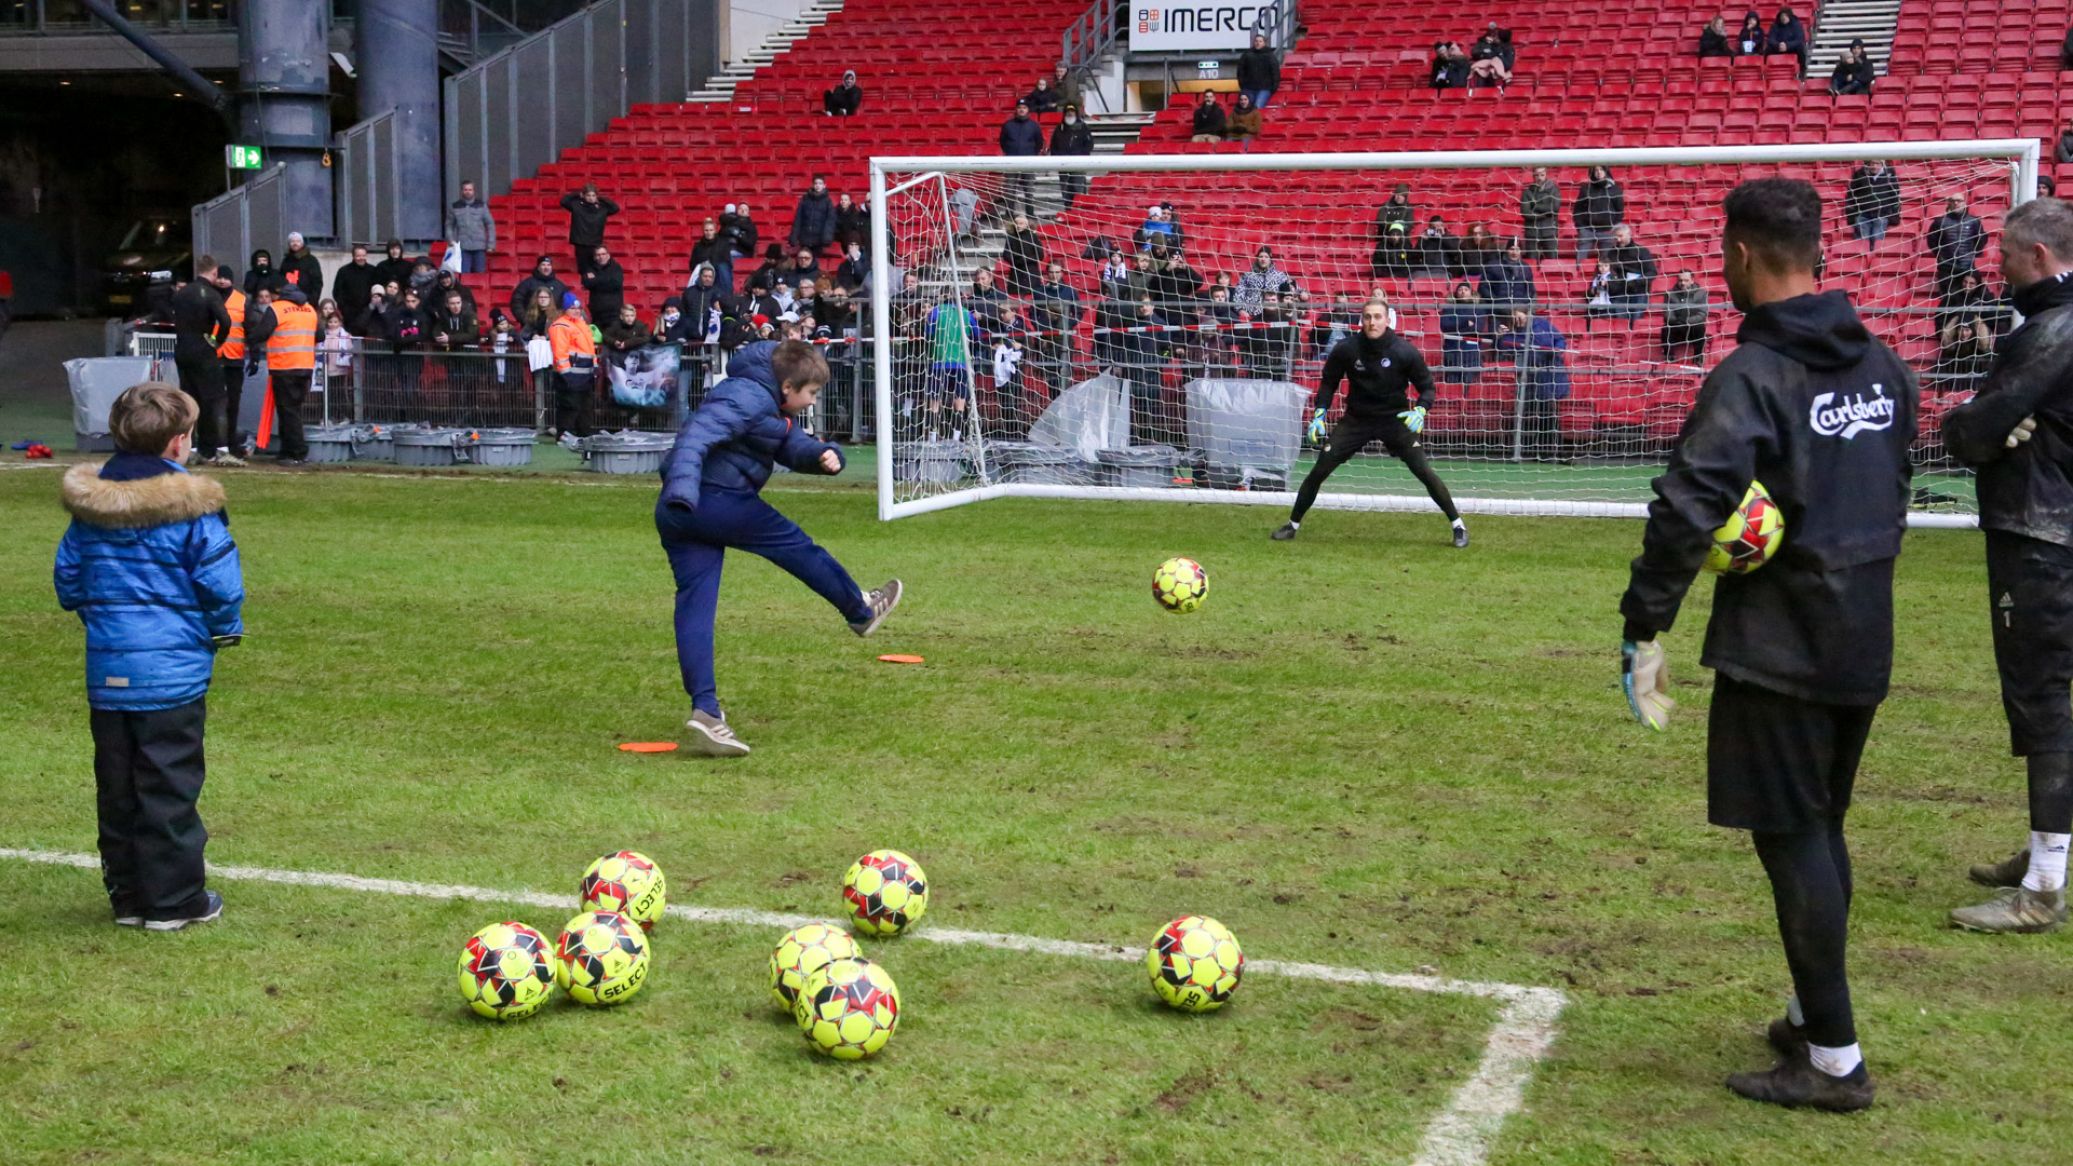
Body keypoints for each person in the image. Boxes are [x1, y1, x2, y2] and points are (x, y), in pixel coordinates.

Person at [1618, 177, 1916, 1113]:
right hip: (1861, 633)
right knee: (1820, 828)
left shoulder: (1749, 376)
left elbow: (1686, 503)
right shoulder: (1882, 364)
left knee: (1791, 841)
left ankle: (1832, 1062)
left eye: (1722, 254)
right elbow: (1896, 476)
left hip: (1780, 646)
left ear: (1741, 255)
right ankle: (1806, 1010)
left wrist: (1644, 623)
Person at [54, 382, 244, 931]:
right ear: (178, 442)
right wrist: (224, 631)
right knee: (168, 782)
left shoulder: (90, 505)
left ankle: (129, 896)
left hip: (107, 670)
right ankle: (173, 900)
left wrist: (103, 621)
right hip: (170, 675)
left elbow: (69, 579)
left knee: (117, 786)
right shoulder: (194, 506)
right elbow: (220, 583)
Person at [653, 340, 901, 757]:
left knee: (695, 607)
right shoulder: (745, 396)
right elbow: (695, 437)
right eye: (811, 394)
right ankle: (860, 610)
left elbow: (785, 441)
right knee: (798, 547)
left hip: (682, 513)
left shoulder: (762, 398)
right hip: (706, 500)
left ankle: (707, 714)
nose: (812, 401)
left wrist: (822, 454)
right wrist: (682, 489)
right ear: (788, 387)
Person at [1940, 197, 2073, 934]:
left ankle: (2042, 889)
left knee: (2041, 703)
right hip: (2058, 529)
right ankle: (2042, 852)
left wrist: (1967, 421)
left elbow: (1976, 428)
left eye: (2005, 259)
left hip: (2041, 536)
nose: (1997, 270)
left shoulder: (2050, 332)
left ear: (2040, 258)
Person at [1272, 297, 1466, 546]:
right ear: (1361, 320)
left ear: (1387, 320)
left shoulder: (1404, 351)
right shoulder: (1346, 349)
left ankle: (1458, 526)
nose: (1372, 322)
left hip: (1394, 420)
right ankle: (1292, 524)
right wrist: (1319, 412)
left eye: (1377, 317)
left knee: (1424, 471)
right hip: (1357, 420)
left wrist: (1420, 410)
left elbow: (1427, 388)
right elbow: (1328, 383)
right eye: (1367, 317)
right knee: (1320, 469)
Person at [169, 256, 233, 461]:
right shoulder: (211, 294)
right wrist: (216, 341)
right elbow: (225, 321)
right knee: (214, 400)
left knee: (188, 401)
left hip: (182, 351)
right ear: (213, 273)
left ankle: (191, 448)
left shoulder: (181, 293)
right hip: (203, 351)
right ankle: (218, 449)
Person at [257, 285, 318, 464]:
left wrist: (249, 338)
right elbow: (320, 334)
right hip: (305, 365)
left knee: (288, 411)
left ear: (281, 295)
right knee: (293, 410)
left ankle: (297, 452)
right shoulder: (310, 309)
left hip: (284, 365)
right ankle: (286, 451)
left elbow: (262, 333)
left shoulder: (277, 309)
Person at [209, 266, 251, 464]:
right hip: (213, 356)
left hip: (234, 357)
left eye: (226, 278)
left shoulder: (242, 300)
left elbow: (249, 327)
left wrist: (256, 354)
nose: (223, 281)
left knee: (233, 404)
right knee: (212, 403)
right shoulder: (209, 297)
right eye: (220, 278)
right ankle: (214, 443)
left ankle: (231, 444)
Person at [549, 292, 598, 439]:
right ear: (565, 309)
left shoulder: (581, 324)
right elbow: (560, 352)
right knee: (569, 407)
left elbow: (590, 350)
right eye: (572, 308)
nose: (577, 310)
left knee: (585, 407)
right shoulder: (560, 325)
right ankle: (564, 436)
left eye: (578, 308)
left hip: (584, 374)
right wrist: (566, 374)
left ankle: (584, 434)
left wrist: (594, 366)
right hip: (570, 375)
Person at [1928, 194, 1986, 298]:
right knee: (1947, 300)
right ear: (1949, 203)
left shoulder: (1974, 222)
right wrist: (1941, 257)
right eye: (1952, 200)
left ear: (1965, 203)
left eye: (1959, 200)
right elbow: (1932, 241)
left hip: (1967, 267)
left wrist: (1970, 255)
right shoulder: (1939, 222)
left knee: (1967, 299)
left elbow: (1981, 240)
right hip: (1946, 268)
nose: (1956, 203)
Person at [560, 183, 620, 276]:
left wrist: (601, 198)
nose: (591, 198)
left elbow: (615, 208)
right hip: (580, 242)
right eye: (588, 195)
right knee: (583, 269)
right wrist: (577, 194)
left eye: (593, 195)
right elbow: (564, 201)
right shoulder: (576, 206)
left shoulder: (602, 208)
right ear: (583, 196)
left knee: (596, 268)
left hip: (595, 242)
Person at [999, 100, 1045, 217]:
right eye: (1019, 107)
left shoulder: (1034, 126)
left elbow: (1039, 143)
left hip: (1028, 162)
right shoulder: (1008, 125)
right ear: (1016, 109)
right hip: (1011, 162)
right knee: (1010, 190)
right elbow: (1003, 142)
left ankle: (1030, 215)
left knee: (1029, 190)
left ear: (1028, 110)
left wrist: (1031, 154)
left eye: (1024, 107)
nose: (1021, 109)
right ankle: (1009, 214)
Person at [1608, 225, 1660, 324]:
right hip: (1620, 293)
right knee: (1620, 323)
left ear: (1629, 235)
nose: (1618, 240)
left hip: (1639, 292)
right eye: (1615, 237)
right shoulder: (1611, 253)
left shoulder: (1642, 251)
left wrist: (1637, 281)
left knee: (1636, 322)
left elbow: (1652, 272)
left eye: (1620, 236)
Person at [1574, 165, 1626, 263]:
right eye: (1596, 170)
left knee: (1606, 261)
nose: (1598, 172)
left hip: (1607, 231)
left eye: (1601, 169)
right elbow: (1578, 209)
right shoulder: (1586, 188)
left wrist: (1613, 227)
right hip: (1587, 230)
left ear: (1606, 171)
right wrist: (1581, 228)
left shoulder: (1615, 189)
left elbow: (1620, 211)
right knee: (1580, 260)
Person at [1439, 282, 1487, 386]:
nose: (1463, 292)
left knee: (1469, 388)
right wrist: (1465, 322)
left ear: (1471, 293)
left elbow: (1477, 329)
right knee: (1451, 388)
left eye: (1466, 289)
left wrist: (1456, 328)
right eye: (1460, 289)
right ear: (1456, 293)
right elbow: (1445, 326)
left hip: (1471, 355)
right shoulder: (1449, 308)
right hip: (1452, 354)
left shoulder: (1478, 309)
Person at [1844, 159, 1901, 246]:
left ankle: (1875, 259)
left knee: (1877, 243)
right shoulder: (1859, 175)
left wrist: (1894, 216)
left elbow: (1895, 196)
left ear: (1882, 164)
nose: (1874, 166)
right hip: (1862, 215)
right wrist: (1852, 217)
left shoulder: (1890, 176)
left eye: (1877, 163)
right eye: (1872, 163)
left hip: (1881, 215)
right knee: (1861, 244)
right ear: (1868, 164)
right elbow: (1850, 196)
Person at [447, 180, 497, 274]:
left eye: (470, 189)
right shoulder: (455, 206)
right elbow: (449, 225)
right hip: (462, 247)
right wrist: (451, 240)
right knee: (464, 275)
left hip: (479, 247)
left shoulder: (481, 206)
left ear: (474, 191)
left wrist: (491, 244)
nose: (468, 191)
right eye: (465, 189)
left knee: (480, 274)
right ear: (461, 191)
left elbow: (490, 224)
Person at [1661, 270, 1710, 362]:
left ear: (1692, 280)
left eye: (1686, 280)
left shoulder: (1701, 293)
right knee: (1665, 328)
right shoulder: (1669, 294)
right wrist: (1677, 321)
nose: (1682, 283)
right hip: (1676, 326)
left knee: (1700, 327)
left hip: (1692, 327)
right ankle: (1669, 356)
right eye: (1680, 280)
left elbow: (1702, 314)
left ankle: (1698, 357)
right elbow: (1667, 313)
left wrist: (1687, 321)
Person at [1051, 105, 1094, 209]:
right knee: (1065, 188)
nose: (1070, 114)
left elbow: (1089, 144)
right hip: (1063, 164)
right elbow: (1053, 145)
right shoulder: (1059, 128)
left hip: (1078, 164)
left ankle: (1079, 210)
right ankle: (1068, 209)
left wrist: (1082, 156)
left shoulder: (1083, 127)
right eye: (1068, 112)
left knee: (1077, 186)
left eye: (1072, 112)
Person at [1479, 240, 1537, 312]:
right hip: (1497, 310)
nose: (1514, 253)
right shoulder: (1493, 266)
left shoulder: (1526, 268)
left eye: (1517, 249)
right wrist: (1496, 302)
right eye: (1512, 249)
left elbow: (1530, 290)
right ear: (1506, 250)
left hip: (1519, 311)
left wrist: (1522, 305)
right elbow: (1483, 287)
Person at [509, 256, 570, 323]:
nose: (546, 267)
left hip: (554, 324)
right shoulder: (527, 283)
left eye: (548, 265)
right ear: (538, 267)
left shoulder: (560, 285)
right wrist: (524, 319)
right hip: (532, 324)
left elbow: (568, 303)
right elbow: (516, 301)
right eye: (543, 265)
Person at [331, 245, 380, 329]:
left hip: (368, 313)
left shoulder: (373, 271)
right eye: (358, 256)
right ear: (353, 256)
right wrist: (345, 308)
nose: (361, 258)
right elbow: (337, 292)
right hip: (349, 315)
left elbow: (377, 290)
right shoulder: (344, 271)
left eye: (363, 255)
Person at [789, 175, 839, 257]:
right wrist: (794, 236)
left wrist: (827, 238)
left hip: (819, 241)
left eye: (820, 183)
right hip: (804, 240)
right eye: (816, 183)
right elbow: (798, 219)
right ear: (813, 185)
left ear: (824, 185)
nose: (818, 185)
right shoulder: (805, 199)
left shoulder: (828, 202)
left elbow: (830, 221)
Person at [1235, 245, 1291, 313]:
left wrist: (1303, 293)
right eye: (1261, 256)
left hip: (1274, 314)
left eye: (1266, 257)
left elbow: (1292, 289)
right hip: (1251, 314)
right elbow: (1239, 293)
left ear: (1270, 259)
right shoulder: (1248, 276)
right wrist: (1240, 309)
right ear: (1257, 258)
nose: (1263, 259)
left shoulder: (1280, 276)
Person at [1520, 167, 1560, 260]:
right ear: (1533, 176)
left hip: (1549, 232)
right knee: (1532, 263)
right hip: (1532, 233)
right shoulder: (1527, 192)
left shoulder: (1554, 190)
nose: (1539, 177)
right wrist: (1544, 215)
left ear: (1546, 175)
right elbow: (1525, 213)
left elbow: (1554, 208)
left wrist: (1536, 206)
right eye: (1537, 175)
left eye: (1542, 175)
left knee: (1552, 263)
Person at [1003, 212, 1046, 296]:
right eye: (1016, 223)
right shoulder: (1011, 237)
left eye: (1021, 223)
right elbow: (1006, 254)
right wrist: (1017, 261)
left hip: (1031, 273)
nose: (1018, 225)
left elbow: (1040, 255)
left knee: (1034, 296)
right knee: (1016, 296)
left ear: (1026, 224)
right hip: (1016, 273)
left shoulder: (1033, 237)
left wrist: (1026, 259)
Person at [1237, 32, 1280, 109]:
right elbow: (1240, 70)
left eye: (1260, 41)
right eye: (1256, 41)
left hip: (1264, 88)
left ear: (1264, 43)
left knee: (1258, 107)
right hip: (1248, 87)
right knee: (1246, 108)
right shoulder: (1247, 55)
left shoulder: (1270, 56)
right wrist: (1242, 85)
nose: (1258, 43)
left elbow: (1275, 72)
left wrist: (1274, 87)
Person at [583, 244, 626, 322]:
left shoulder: (616, 267)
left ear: (608, 255)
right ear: (595, 257)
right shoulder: (590, 268)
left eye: (603, 254)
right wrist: (608, 279)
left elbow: (617, 283)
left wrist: (596, 280)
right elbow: (587, 283)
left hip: (614, 312)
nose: (601, 257)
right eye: (598, 255)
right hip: (597, 312)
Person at [279, 232, 323, 297]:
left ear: (302, 243)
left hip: (307, 299)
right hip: (288, 299)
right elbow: (281, 279)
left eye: (298, 241)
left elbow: (317, 282)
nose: (295, 243)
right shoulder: (286, 261)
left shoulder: (311, 260)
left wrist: (312, 300)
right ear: (289, 244)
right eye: (292, 241)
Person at [1767, 7, 1807, 72]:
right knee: (1768, 49)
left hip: (1791, 48)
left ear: (1790, 16)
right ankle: (1767, 71)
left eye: (1786, 16)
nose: (1784, 18)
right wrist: (1778, 45)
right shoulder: (1775, 25)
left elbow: (1799, 40)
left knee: (1800, 48)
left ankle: (1802, 71)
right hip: (1779, 47)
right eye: (1782, 16)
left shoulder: (1796, 25)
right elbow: (1770, 39)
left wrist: (1787, 45)